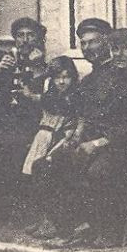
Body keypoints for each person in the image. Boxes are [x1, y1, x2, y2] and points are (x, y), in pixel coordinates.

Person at [45, 27, 127, 247]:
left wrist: (97, 143)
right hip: (107, 144)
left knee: (98, 171)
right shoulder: (109, 79)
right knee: (61, 160)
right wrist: (77, 137)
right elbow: (93, 113)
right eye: (115, 49)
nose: (119, 55)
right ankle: (74, 228)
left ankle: (110, 233)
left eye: (126, 50)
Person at [21, 56, 81, 238]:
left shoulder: (73, 98)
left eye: (66, 77)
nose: (62, 81)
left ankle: (52, 221)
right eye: (57, 77)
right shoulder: (51, 95)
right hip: (43, 136)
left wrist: (60, 145)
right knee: (34, 178)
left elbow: (71, 127)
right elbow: (41, 102)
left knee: (47, 176)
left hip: (60, 139)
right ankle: (42, 218)